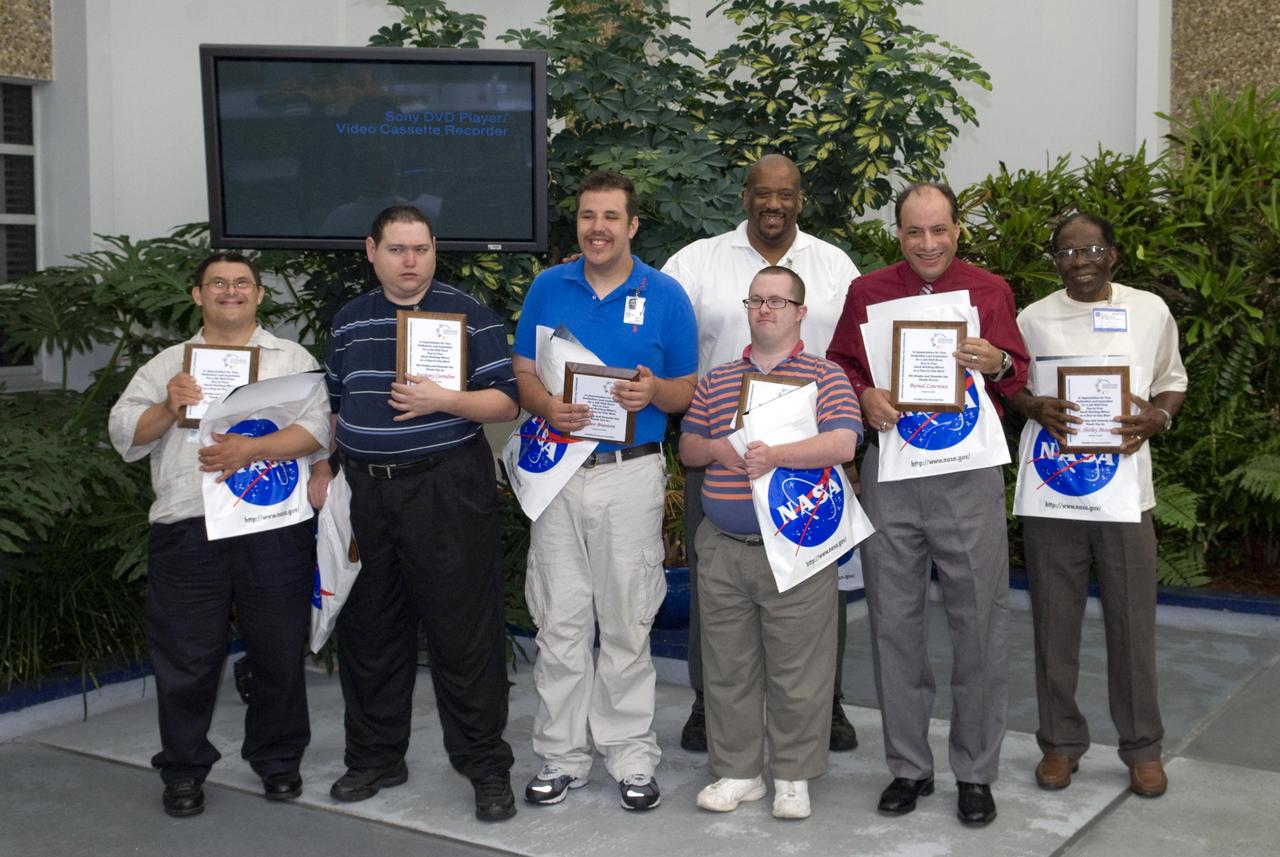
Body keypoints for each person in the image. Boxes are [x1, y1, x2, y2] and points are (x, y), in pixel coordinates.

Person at [827, 182, 1029, 826]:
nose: (928, 244)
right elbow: (840, 365)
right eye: (914, 232)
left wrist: (996, 360)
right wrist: (862, 396)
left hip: (968, 474)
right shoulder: (868, 292)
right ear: (898, 234)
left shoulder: (989, 291)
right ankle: (909, 767)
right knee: (894, 623)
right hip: (894, 470)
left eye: (938, 230)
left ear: (957, 231)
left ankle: (975, 771)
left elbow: (1018, 373)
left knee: (980, 625)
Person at [311, 205, 519, 822]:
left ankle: (484, 766)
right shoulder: (349, 323)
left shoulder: (468, 315)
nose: (410, 262)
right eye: (397, 249)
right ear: (370, 251)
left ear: (434, 251)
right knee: (370, 633)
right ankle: (376, 757)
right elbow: (333, 407)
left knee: (465, 637)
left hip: (446, 491)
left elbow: (505, 403)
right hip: (365, 495)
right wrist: (324, 468)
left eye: (421, 249)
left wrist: (444, 399)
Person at [108, 252, 330, 818]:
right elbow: (125, 434)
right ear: (197, 296)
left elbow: (319, 431)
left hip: (271, 527)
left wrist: (253, 449)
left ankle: (278, 761)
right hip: (188, 529)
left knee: (278, 651)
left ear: (258, 295)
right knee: (185, 658)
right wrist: (167, 405)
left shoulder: (291, 359)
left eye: (241, 284)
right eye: (217, 284)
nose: (230, 292)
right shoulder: (166, 365)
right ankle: (183, 768)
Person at [662, 153, 862, 754]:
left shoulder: (834, 265)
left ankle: (825, 703)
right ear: (744, 195)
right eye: (762, 193)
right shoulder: (697, 261)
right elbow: (657, 323)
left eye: (786, 195)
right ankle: (708, 701)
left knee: (818, 580)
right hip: (722, 457)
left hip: (810, 456)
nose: (773, 205)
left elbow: (855, 355)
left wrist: (845, 442)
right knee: (713, 585)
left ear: (801, 200)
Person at [512, 170, 698, 811]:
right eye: (588, 216)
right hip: (560, 473)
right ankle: (561, 758)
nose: (598, 228)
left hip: (632, 472)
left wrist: (654, 394)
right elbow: (523, 371)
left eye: (611, 217)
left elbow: (687, 388)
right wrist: (543, 407)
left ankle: (630, 757)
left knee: (626, 620)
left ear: (633, 225)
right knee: (559, 620)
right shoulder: (547, 287)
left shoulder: (665, 294)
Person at [1010, 212, 1186, 798]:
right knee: (1053, 621)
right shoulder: (1031, 319)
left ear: (1113, 254)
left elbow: (1173, 379)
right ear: (1054, 261)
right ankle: (1060, 744)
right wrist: (1033, 406)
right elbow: (1010, 387)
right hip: (1053, 487)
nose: (1078, 261)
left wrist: (1158, 416)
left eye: (1090, 249)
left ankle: (1142, 748)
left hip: (1124, 493)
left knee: (1133, 622)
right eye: (1065, 252)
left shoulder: (1149, 311)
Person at [681, 266, 861, 820]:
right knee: (727, 667)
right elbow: (687, 447)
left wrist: (777, 455)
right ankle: (738, 772)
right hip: (722, 545)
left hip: (797, 544)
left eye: (778, 302)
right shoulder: (716, 379)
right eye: (757, 300)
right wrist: (717, 449)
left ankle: (791, 775)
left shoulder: (825, 376)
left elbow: (844, 443)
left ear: (800, 311)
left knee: (799, 670)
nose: (765, 310)